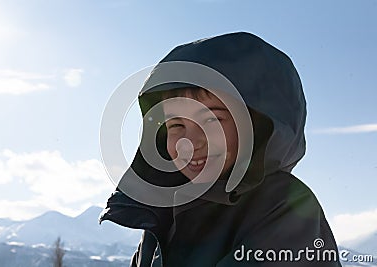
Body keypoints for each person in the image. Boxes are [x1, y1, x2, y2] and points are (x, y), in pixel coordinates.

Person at [99, 32, 342, 266]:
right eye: (176, 124)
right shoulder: (163, 214)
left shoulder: (287, 209)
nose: (190, 142)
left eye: (211, 120)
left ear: (256, 127)